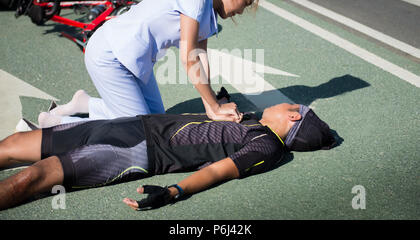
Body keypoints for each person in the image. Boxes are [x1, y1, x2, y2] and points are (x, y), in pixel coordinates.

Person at [37, 0, 270, 128]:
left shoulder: (208, 10)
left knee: (156, 119)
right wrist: (215, 106)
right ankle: (56, 124)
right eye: (245, 3)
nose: (240, 11)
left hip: (134, 62)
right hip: (110, 55)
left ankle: (85, 103)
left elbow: (200, 58)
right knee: (137, 130)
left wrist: (211, 106)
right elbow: (189, 58)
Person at [0, 99, 336, 211]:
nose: (281, 103)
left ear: (293, 116)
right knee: (12, 145)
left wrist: (174, 192)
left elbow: (220, 171)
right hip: (128, 125)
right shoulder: (249, 119)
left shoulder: (268, 146)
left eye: (289, 105)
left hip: (133, 152)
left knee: (32, 177)